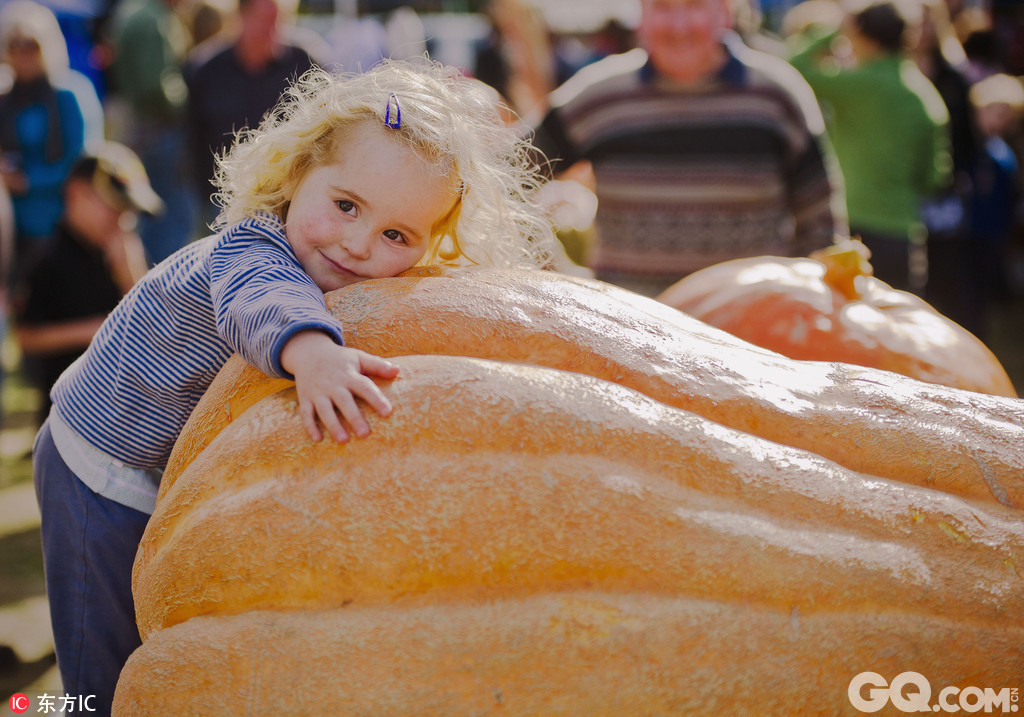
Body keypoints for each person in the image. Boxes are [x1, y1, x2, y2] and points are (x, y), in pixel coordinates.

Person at [31, 58, 558, 715]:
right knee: (101, 663)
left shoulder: (352, 278)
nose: (359, 243)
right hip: (97, 462)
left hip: (159, 468)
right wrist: (311, 355)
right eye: (345, 205)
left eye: (396, 234)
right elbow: (264, 301)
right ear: (296, 172)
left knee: (160, 631)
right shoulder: (252, 250)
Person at [530, 0, 844, 297]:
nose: (678, 26)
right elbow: (504, 177)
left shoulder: (777, 95)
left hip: (749, 341)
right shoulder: (596, 98)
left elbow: (821, 227)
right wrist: (556, 275)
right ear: (643, 13)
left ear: (724, 11)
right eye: (663, 6)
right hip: (629, 336)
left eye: (694, 5)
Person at [789, 0, 952, 292]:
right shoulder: (927, 98)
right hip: (903, 236)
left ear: (860, 35)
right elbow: (934, 178)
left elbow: (793, 68)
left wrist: (837, 28)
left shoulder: (856, 86)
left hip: (850, 231)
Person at [13, 142, 161, 425]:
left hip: (123, 406)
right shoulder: (46, 260)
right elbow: (25, 336)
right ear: (76, 195)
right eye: (114, 207)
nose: (121, 220)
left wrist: (128, 268)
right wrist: (93, 331)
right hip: (67, 411)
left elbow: (149, 319)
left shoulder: (119, 250)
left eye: (128, 213)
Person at [184, 0, 330, 229]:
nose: (271, 31)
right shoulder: (206, 70)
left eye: (277, 22)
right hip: (222, 198)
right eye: (263, 21)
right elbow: (194, 138)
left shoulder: (304, 63)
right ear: (241, 18)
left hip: (287, 196)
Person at [0, 0, 100, 276]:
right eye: (14, 45)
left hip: (60, 220)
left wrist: (29, 181)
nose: (23, 54)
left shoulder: (69, 94)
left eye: (31, 45)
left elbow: (82, 162)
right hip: (12, 220)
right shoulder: (7, 97)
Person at [109, 0, 196, 265]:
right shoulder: (152, 18)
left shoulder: (134, 11)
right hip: (158, 129)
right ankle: (166, 283)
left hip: (141, 127)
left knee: (150, 212)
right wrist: (190, 100)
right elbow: (155, 86)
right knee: (169, 214)